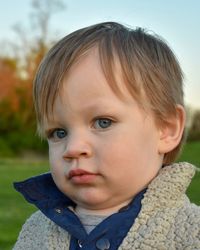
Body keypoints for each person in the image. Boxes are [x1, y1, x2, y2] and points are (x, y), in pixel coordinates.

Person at [13, 22, 200, 250]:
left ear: (166, 129)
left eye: (103, 122)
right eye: (59, 132)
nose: (73, 148)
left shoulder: (191, 233)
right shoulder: (36, 231)